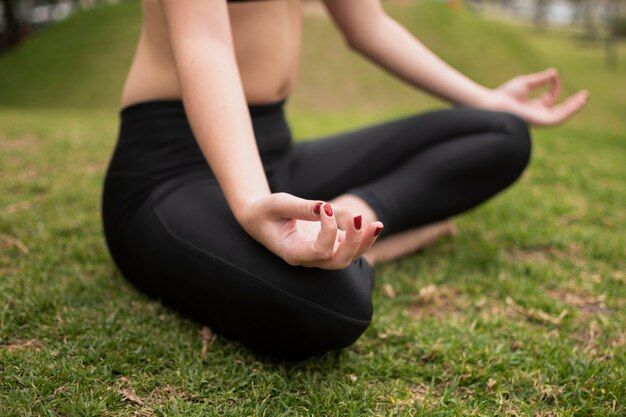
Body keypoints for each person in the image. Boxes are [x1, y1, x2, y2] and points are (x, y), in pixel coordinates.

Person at [102, 0, 588, 359]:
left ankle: (355, 225)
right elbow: (203, 41)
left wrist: (485, 97)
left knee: (502, 132)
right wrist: (251, 200)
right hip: (169, 172)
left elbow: (369, 26)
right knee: (335, 308)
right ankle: (375, 242)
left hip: (273, 153)